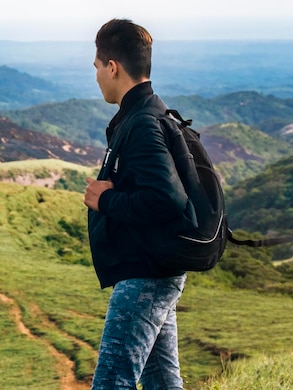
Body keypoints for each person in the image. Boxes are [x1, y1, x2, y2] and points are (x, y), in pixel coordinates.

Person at [84, 19, 188, 390]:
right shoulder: (150, 110)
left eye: (97, 67)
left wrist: (106, 199)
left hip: (146, 273)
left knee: (112, 382)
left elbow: (167, 198)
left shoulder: (142, 122)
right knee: (162, 380)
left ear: (112, 67)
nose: (96, 76)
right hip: (156, 269)